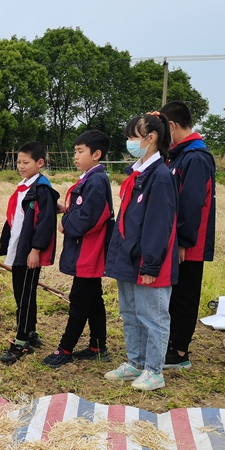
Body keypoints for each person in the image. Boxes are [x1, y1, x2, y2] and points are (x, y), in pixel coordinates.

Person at [103, 113, 179, 391]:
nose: (129, 141)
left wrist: (151, 264)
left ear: (151, 138)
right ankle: (136, 362)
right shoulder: (138, 174)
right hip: (128, 256)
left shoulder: (160, 176)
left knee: (153, 317)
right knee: (131, 313)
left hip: (148, 260)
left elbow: (159, 225)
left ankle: (154, 370)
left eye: (133, 136)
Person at [42, 130, 115, 368]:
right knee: (93, 299)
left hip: (89, 252)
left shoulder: (96, 180)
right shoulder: (90, 178)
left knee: (79, 301)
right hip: (87, 251)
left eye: (80, 151)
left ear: (96, 154)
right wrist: (67, 210)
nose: (75, 156)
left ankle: (65, 348)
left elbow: (89, 217)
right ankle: (98, 347)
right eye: (75, 151)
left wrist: (65, 222)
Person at [159, 101, 216, 370]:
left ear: (172, 126)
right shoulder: (178, 155)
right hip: (177, 239)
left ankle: (180, 351)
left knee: (185, 295)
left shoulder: (195, 157)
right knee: (174, 294)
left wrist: (183, 241)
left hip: (190, 243)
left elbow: (191, 203)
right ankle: (170, 343)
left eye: (162, 128)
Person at [0, 141, 59, 365]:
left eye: (26, 162)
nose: (21, 166)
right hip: (19, 248)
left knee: (25, 297)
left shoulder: (42, 189)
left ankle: (21, 342)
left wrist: (36, 250)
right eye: (18, 162)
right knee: (22, 294)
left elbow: (45, 223)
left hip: (29, 251)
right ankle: (30, 332)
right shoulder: (24, 186)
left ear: (39, 163)